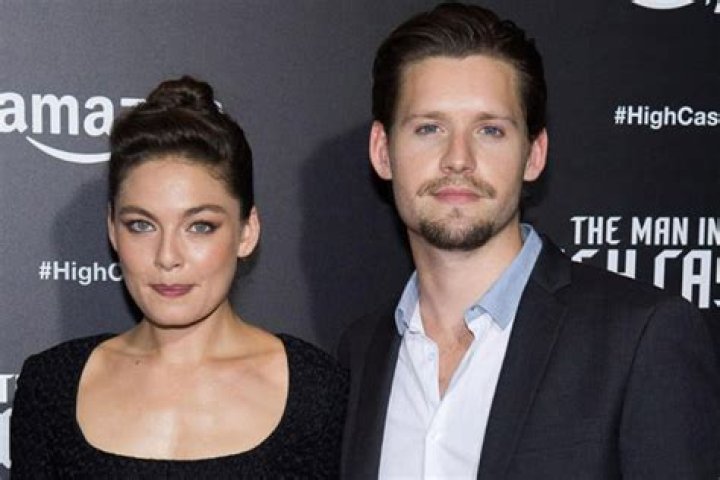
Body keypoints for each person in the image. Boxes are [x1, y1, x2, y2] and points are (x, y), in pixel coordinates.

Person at [338, 3, 720, 479]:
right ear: (382, 151)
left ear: (534, 154)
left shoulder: (639, 338)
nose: (458, 158)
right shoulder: (361, 354)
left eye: (490, 130)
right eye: (429, 128)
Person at [11, 77, 347, 478]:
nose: (167, 257)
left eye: (200, 226)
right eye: (141, 225)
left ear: (246, 232)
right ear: (112, 230)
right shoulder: (51, 387)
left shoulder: (317, 392)